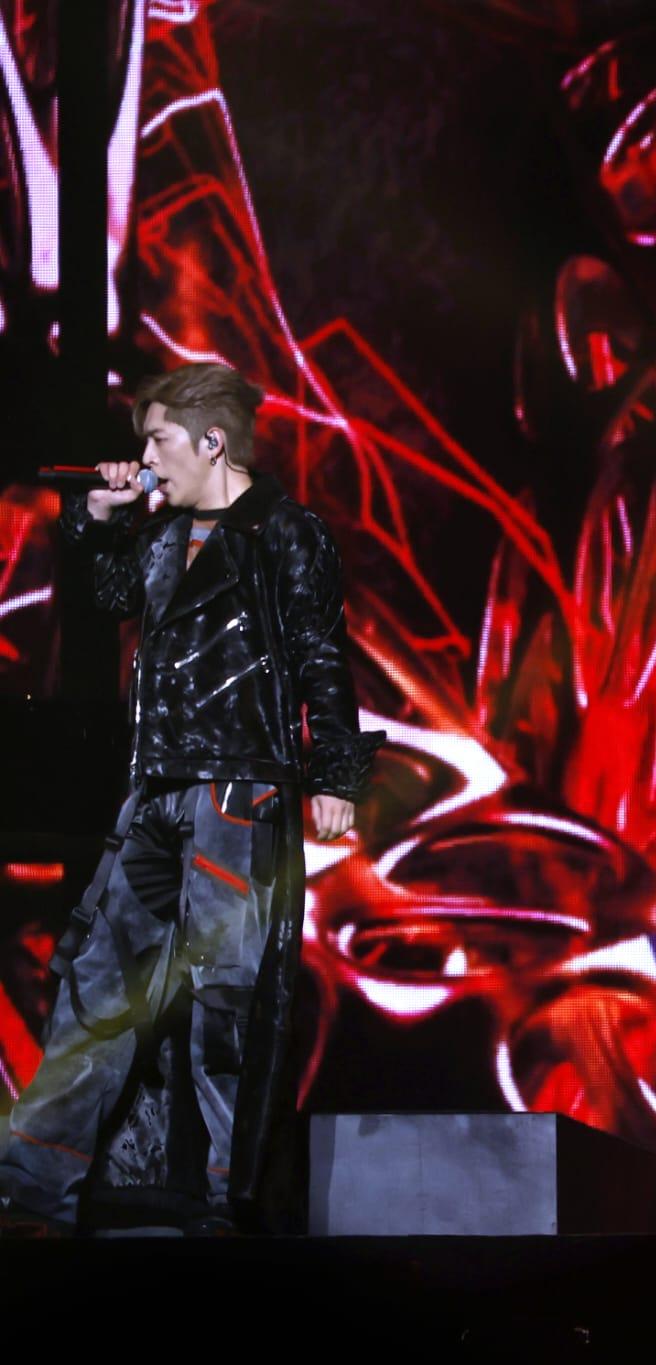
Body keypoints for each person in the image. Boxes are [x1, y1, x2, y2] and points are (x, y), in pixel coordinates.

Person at [0, 362, 381, 1234]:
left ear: (212, 442)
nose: (145, 458)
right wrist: (96, 518)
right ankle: (33, 1188)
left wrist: (335, 775)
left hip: (238, 790)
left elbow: (321, 651)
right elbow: (111, 597)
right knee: (99, 983)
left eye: (159, 440)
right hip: (156, 792)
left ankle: (224, 1198)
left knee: (226, 1001)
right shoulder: (166, 536)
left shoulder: (284, 532)